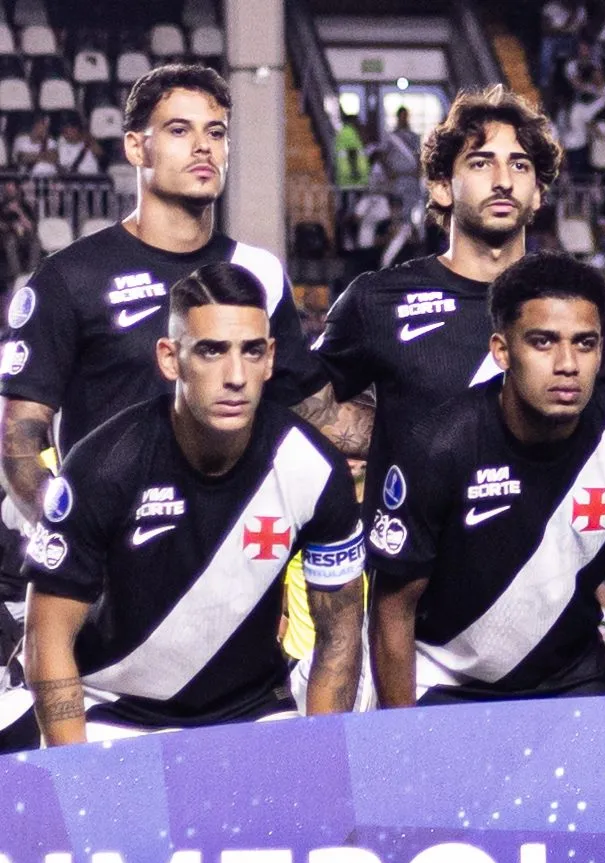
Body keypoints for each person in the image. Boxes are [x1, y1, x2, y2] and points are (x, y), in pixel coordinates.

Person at [21, 264, 364, 744]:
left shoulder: (314, 468)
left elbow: (340, 635)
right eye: (211, 351)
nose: (235, 377)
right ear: (169, 358)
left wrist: (325, 757)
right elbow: (46, 637)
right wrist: (76, 771)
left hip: (255, 715)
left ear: (271, 360)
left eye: (252, 351)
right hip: (114, 717)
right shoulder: (103, 466)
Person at [0, 64, 327, 528]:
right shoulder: (71, 276)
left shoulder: (259, 272)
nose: (203, 147)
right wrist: (68, 535)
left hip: (222, 555)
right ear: (136, 146)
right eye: (179, 130)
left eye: (216, 133)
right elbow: (19, 441)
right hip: (109, 562)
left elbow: (318, 412)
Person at [367, 254, 605, 704]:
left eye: (585, 343)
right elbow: (392, 611)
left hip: (573, 680)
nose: (567, 364)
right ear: (502, 350)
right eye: (543, 342)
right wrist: (403, 737)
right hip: (444, 681)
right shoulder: (437, 447)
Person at [312, 86, 562, 472]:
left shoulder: (572, 305)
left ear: (538, 194)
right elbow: (300, 399)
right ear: (442, 187)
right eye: (480, 163)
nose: (503, 181)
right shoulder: (376, 299)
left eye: (519, 165)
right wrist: (387, 439)